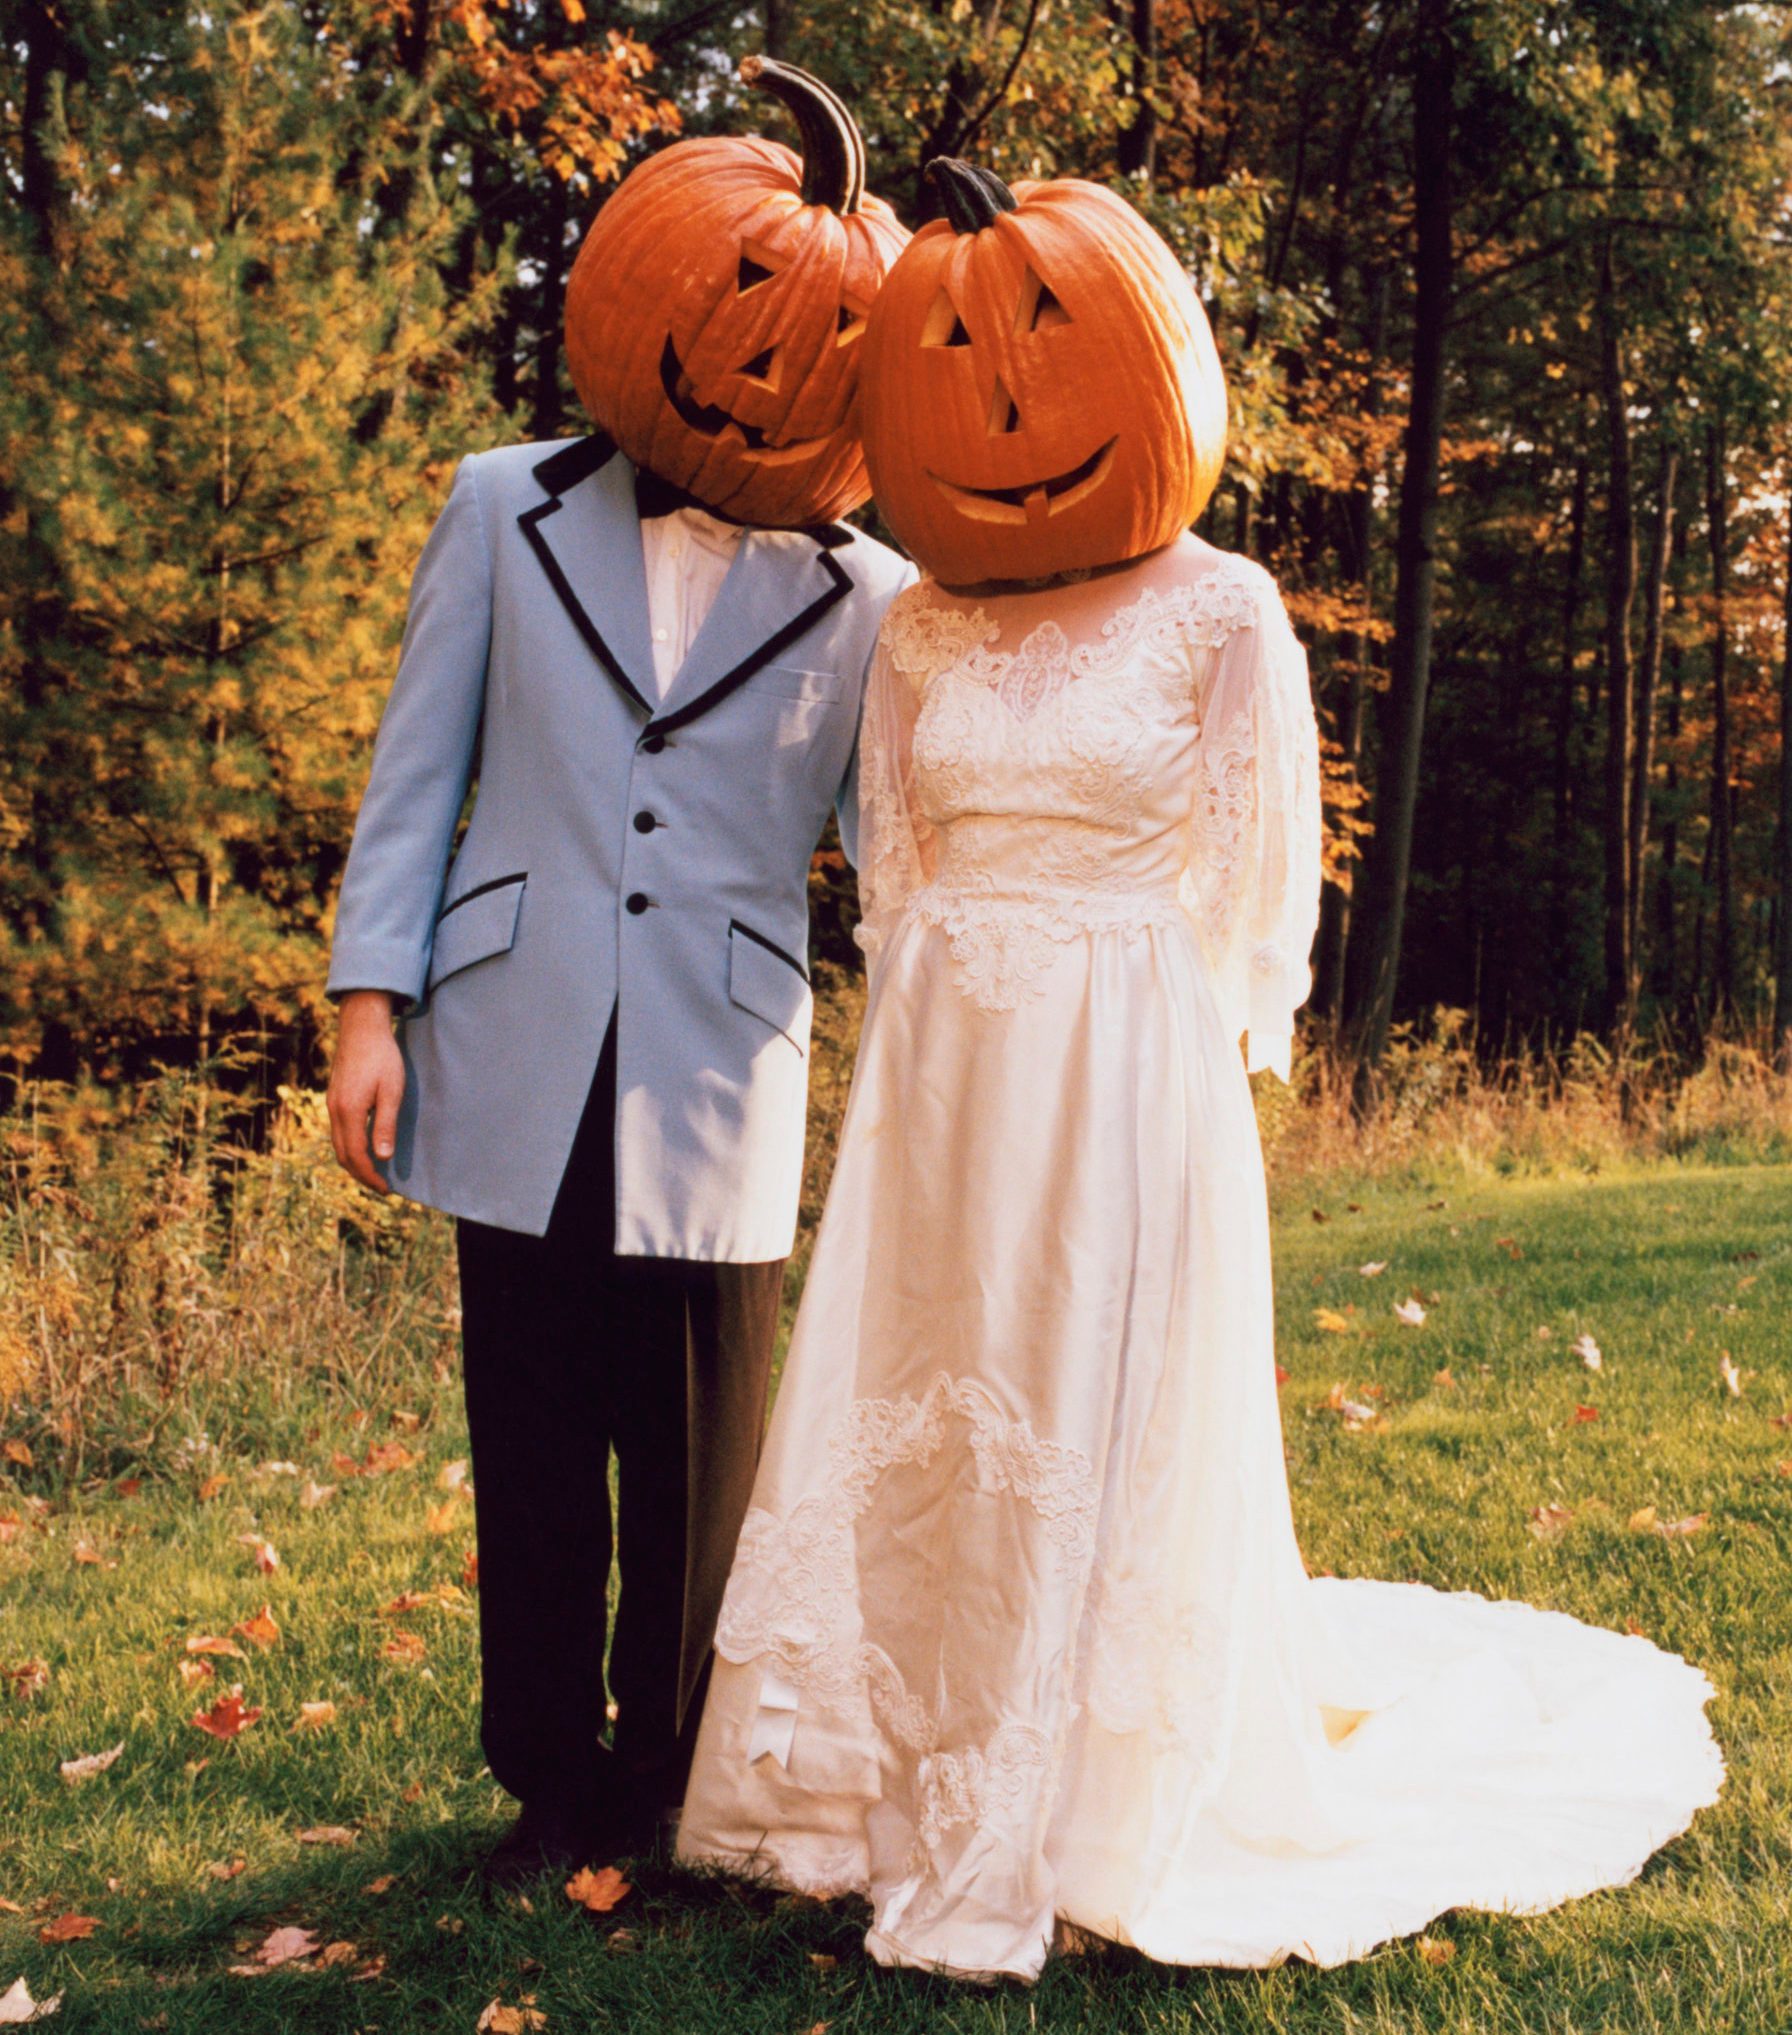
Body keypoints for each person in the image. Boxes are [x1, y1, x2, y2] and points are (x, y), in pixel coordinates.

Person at [673, 160, 1725, 1980]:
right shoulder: (919, 621)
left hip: (1125, 1055)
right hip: (947, 1061)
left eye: (1047, 350)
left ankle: (1086, 1796)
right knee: (934, 1392)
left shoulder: (1222, 606)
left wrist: (1208, 1053)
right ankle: (891, 1760)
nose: (1006, 411)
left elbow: (1254, 889)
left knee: (1094, 1390)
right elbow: (894, 863)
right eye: (958, 367)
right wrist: (934, 1018)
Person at [324, 62, 911, 1883]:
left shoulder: (874, 598)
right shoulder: (500, 505)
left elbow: (893, 852)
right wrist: (367, 1009)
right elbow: (417, 774)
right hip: (512, 1036)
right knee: (533, 1430)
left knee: (696, 1456)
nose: (759, 364)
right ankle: (543, 1776)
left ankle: (666, 1780)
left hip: (722, 1056)